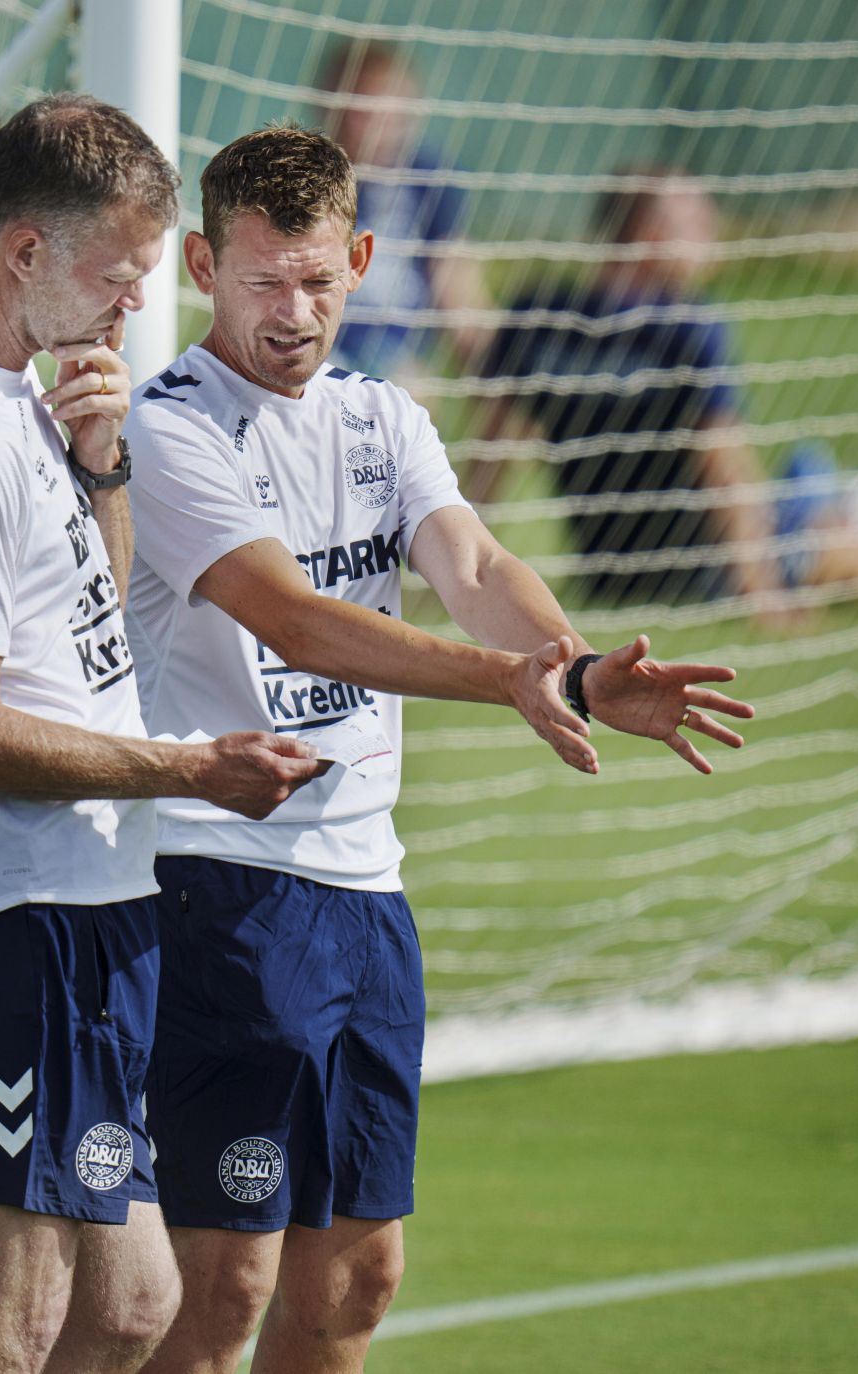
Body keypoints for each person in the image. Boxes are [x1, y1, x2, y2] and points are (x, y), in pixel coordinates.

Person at [120, 126, 756, 1374]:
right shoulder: (174, 425)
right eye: (260, 280)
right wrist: (511, 681)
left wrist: (569, 666)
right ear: (202, 262)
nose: (293, 312)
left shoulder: (383, 417)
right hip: (222, 882)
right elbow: (297, 620)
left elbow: (469, 563)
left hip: (367, 894)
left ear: (359, 258)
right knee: (223, 1282)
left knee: (358, 1279)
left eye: (316, 279)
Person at [0, 94, 330, 1374]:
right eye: (118, 277)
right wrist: (194, 771)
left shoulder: (21, 398)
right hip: (19, 927)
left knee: (127, 1309)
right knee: (10, 1332)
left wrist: (104, 462)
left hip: (96, 912)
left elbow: (94, 619)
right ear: (23, 254)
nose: (133, 307)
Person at [474, 170, 858, 607]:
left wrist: (466, 572)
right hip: (711, 569)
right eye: (696, 218)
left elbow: (489, 454)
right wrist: (765, 595)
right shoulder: (687, 324)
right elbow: (723, 467)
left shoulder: (535, 313)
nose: (713, 229)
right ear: (650, 232)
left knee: (817, 476)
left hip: (608, 573)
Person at [320, 40, 491, 379]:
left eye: (391, 107)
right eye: (365, 109)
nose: (381, 122)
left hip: (400, 347)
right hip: (333, 335)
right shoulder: (314, 178)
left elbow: (455, 278)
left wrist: (491, 360)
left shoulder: (429, 178)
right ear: (333, 108)